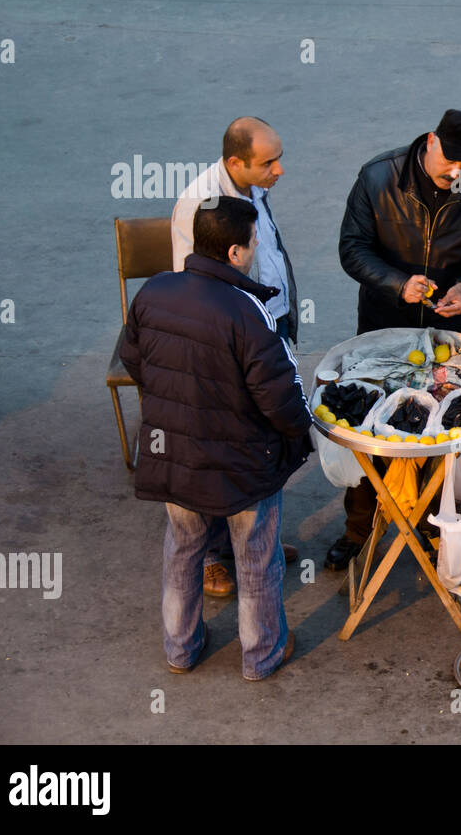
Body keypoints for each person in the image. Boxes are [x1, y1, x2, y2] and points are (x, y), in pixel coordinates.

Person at [122, 196, 312, 680]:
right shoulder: (248, 310)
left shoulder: (155, 291)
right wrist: (301, 432)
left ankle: (180, 649)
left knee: (183, 548)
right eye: (252, 242)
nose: (255, 249)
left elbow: (133, 358)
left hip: (174, 455)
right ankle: (261, 654)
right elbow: (280, 398)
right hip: (241, 461)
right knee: (255, 557)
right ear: (234, 252)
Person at [328, 109, 461, 570]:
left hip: (451, 333)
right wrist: (396, 283)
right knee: (370, 428)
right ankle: (359, 529)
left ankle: (438, 532)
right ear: (430, 141)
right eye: (451, 161)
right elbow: (352, 248)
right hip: (381, 327)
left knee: (450, 434)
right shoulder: (378, 177)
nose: (457, 172)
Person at [171, 117, 301, 598]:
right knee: (222, 446)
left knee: (254, 442)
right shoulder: (200, 205)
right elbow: (196, 287)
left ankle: (247, 540)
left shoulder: (252, 190)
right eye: (269, 162)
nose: (279, 170)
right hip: (232, 344)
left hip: (266, 328)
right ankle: (209, 555)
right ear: (234, 163)